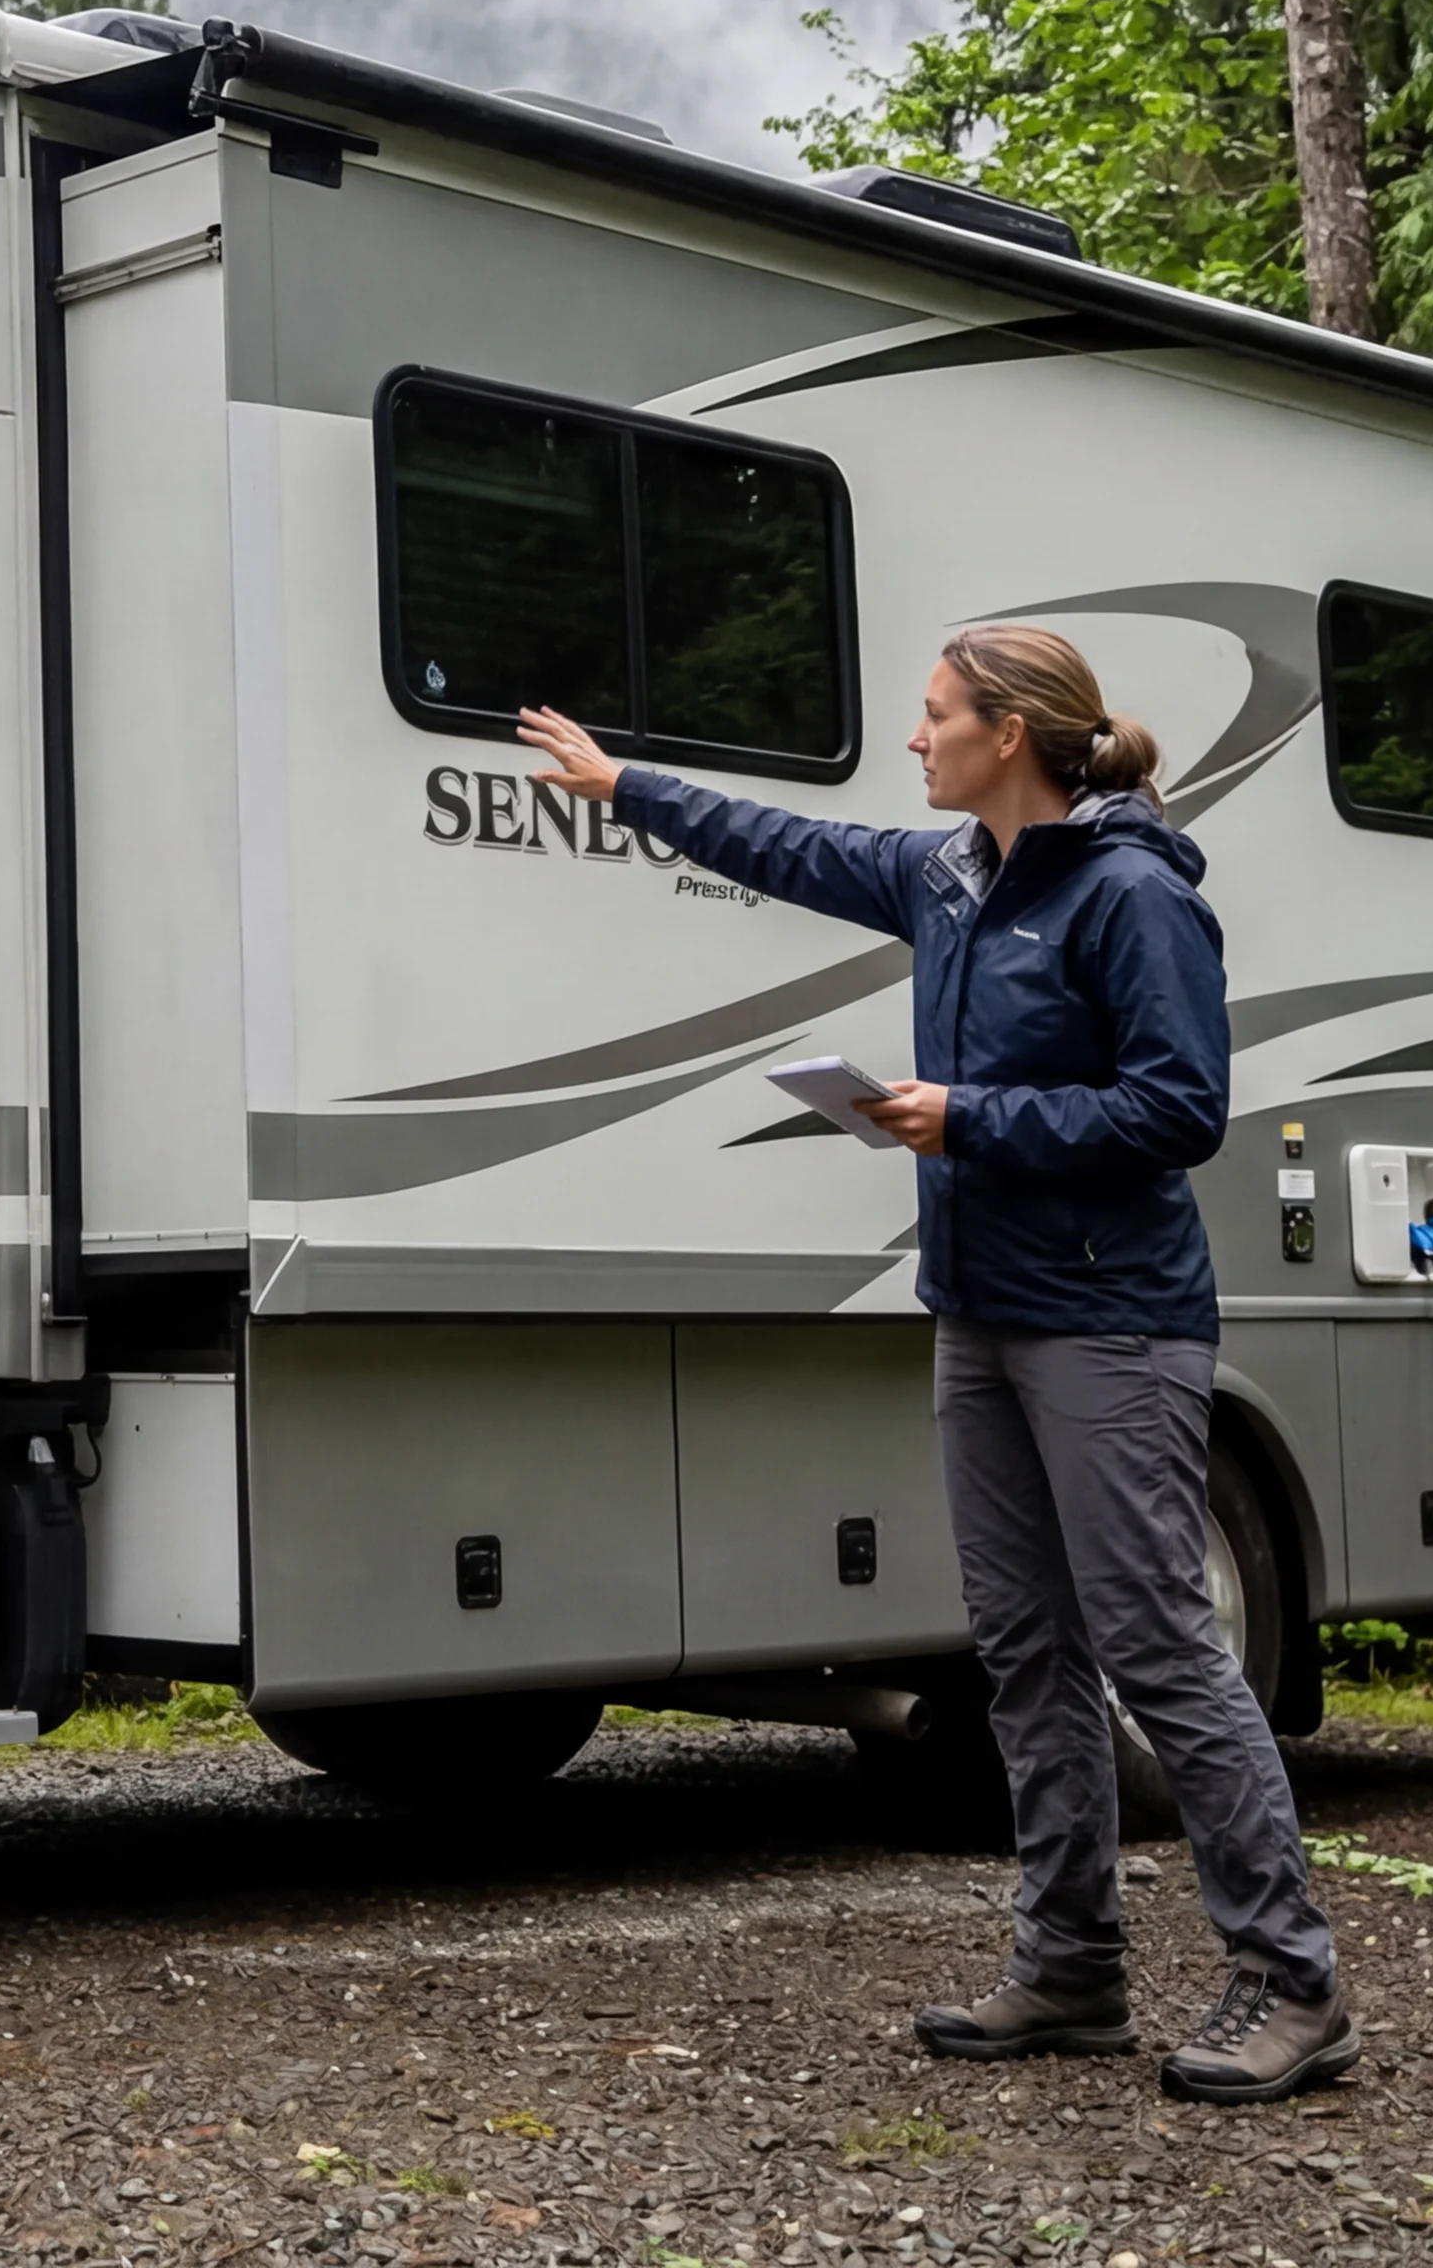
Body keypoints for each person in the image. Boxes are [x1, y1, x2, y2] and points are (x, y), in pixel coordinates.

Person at [518, 626, 1357, 2105]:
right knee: (1021, 1648)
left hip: (1112, 1323)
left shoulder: (1131, 895)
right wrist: (624, 782)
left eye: (933, 717)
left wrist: (970, 1119)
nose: (914, 741)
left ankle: (1292, 1983)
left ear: (1012, 733)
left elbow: (1177, 1110)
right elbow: (785, 843)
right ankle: (1072, 1965)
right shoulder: (946, 877)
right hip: (979, 1315)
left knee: (1159, 1644)